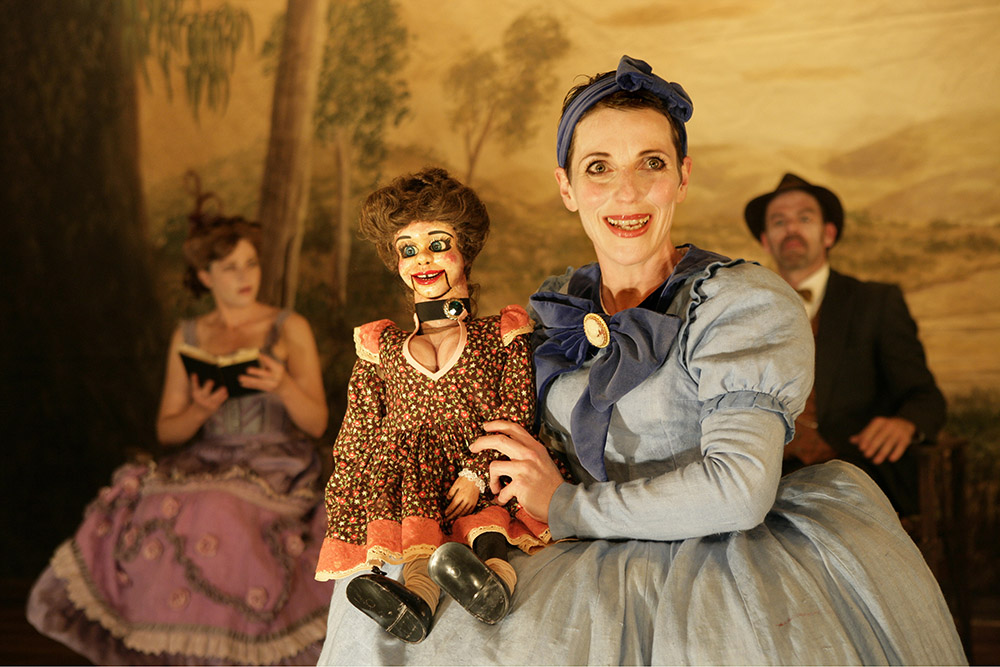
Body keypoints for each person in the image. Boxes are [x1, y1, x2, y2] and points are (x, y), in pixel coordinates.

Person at [316, 56, 965, 664]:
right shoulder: (550, 310)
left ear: (682, 175)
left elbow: (738, 490)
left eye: (649, 162)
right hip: (568, 567)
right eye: (598, 166)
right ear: (567, 187)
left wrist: (566, 504)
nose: (625, 191)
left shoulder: (739, 302)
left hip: (724, 568)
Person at [27, 180, 334, 665]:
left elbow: (316, 422)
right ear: (206, 276)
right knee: (163, 502)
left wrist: (282, 385)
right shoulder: (189, 334)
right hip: (207, 455)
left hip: (276, 462)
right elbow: (169, 431)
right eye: (229, 267)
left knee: (220, 508)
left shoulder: (288, 327)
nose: (244, 276)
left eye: (250, 263)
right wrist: (201, 408)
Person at [314, 167, 554, 644]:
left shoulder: (500, 335)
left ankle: (492, 585)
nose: (423, 260)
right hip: (412, 486)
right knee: (419, 553)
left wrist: (475, 470)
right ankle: (415, 602)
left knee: (489, 535)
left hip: (481, 475)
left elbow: (516, 412)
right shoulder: (380, 346)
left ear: (464, 249)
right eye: (408, 249)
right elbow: (359, 430)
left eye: (438, 244)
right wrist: (347, 497)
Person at [744, 172, 947, 515]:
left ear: (829, 234)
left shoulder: (876, 302)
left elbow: (926, 398)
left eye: (804, 218)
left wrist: (905, 423)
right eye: (779, 222)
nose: (791, 229)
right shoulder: (743, 309)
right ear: (765, 240)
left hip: (852, 479)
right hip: (761, 482)